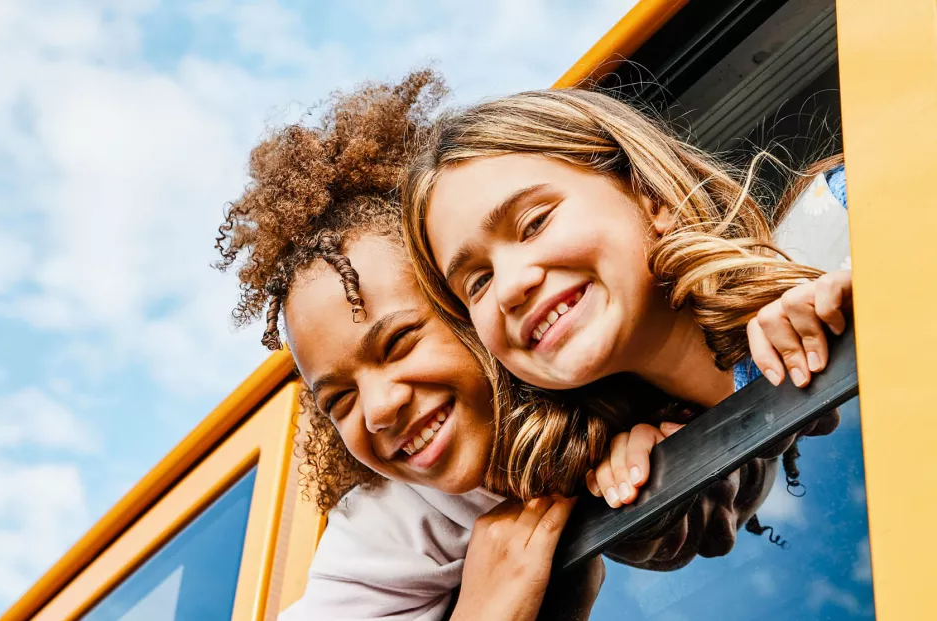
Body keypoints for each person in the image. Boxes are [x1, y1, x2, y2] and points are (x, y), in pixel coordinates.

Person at [215, 72, 783, 621]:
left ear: (464, 313)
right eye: (337, 400)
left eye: (399, 343)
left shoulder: (602, 349)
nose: (380, 406)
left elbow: (743, 436)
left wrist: (679, 477)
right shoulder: (395, 524)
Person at [402, 88, 850, 506]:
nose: (509, 287)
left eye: (535, 223)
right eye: (477, 282)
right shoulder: (649, 468)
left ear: (650, 197)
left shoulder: (843, 215)